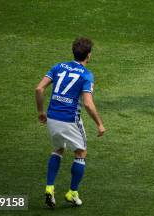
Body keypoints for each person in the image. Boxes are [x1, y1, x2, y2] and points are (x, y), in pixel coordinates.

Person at [35, 38, 105, 208]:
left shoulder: (58, 66)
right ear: (88, 55)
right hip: (70, 119)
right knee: (81, 152)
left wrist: (41, 112)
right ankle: (72, 193)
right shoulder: (86, 75)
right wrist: (99, 124)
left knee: (58, 149)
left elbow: (39, 88)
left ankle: (49, 188)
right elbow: (88, 103)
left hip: (52, 117)